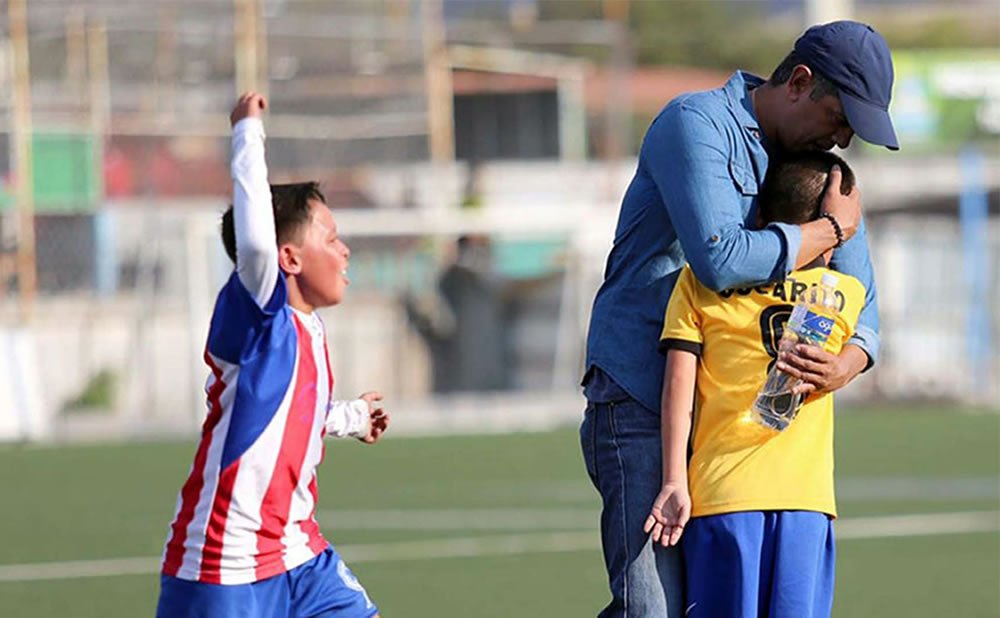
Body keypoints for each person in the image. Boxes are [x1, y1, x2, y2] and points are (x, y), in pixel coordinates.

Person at [580, 21, 897, 617]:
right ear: (800, 82)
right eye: (842, 118)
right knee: (651, 609)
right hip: (644, 397)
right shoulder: (695, 124)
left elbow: (863, 303)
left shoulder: (821, 167)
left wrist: (844, 366)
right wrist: (828, 230)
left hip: (741, 434)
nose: (845, 141)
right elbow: (720, 258)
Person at [156, 92, 389, 618]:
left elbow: (296, 414)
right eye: (330, 238)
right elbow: (256, 247)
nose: (344, 249)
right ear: (289, 258)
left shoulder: (313, 330)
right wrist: (247, 131)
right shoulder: (259, 319)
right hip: (225, 566)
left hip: (301, 557)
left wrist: (351, 416)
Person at [646, 152, 864, 617]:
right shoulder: (843, 295)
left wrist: (672, 480)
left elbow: (677, 388)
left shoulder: (700, 283)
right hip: (805, 503)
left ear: (759, 214)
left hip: (722, 496)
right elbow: (863, 345)